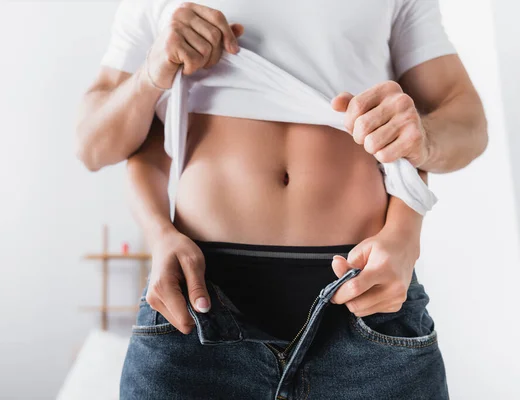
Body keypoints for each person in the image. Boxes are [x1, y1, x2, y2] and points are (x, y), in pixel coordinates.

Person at [76, 0, 488, 398]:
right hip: (198, 301)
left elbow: (467, 123)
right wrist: (152, 71)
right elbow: (94, 144)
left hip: (364, 292)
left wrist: (408, 214)